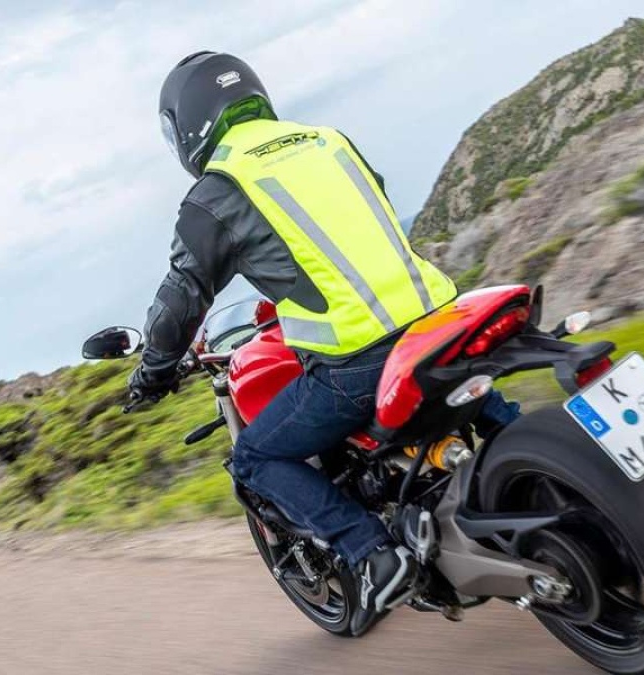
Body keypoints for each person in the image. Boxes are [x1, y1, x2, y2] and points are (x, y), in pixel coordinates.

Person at [128, 51, 520, 634]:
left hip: (360, 360)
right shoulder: (329, 141)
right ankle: (546, 458)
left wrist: (153, 372)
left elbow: (181, 298)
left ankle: (373, 553)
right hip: (442, 317)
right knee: (488, 402)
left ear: (188, 124)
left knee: (255, 458)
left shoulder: (218, 190)